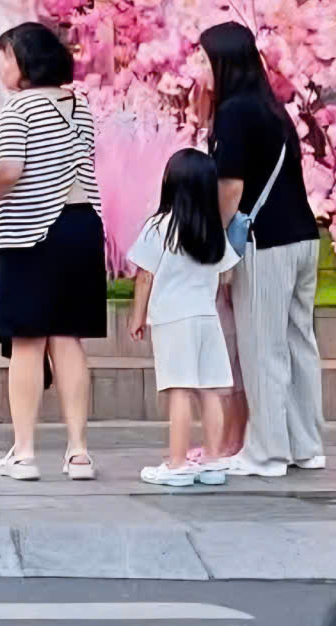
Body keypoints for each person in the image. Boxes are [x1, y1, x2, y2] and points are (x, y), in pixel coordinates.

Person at [0, 21, 105, 483]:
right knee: (67, 338)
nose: (1, 66)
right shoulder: (79, 105)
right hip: (82, 229)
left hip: (31, 231)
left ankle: (24, 452)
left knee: (27, 341)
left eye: (5, 57)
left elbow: (7, 170)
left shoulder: (19, 108)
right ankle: (79, 451)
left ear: (25, 63)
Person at [202, 21, 326, 477]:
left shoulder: (234, 113)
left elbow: (230, 189)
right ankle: (306, 445)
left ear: (223, 62)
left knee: (263, 347)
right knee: (298, 346)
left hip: (265, 244)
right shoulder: (272, 110)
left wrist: (216, 246)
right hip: (302, 239)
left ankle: (268, 452)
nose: (201, 68)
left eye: (205, 59)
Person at [130, 148, 240, 488]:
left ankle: (177, 464)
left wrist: (138, 315)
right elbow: (226, 275)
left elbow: (145, 275)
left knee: (179, 390)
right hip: (207, 318)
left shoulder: (159, 227)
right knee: (209, 391)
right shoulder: (213, 230)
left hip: (173, 319)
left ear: (170, 182)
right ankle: (213, 460)